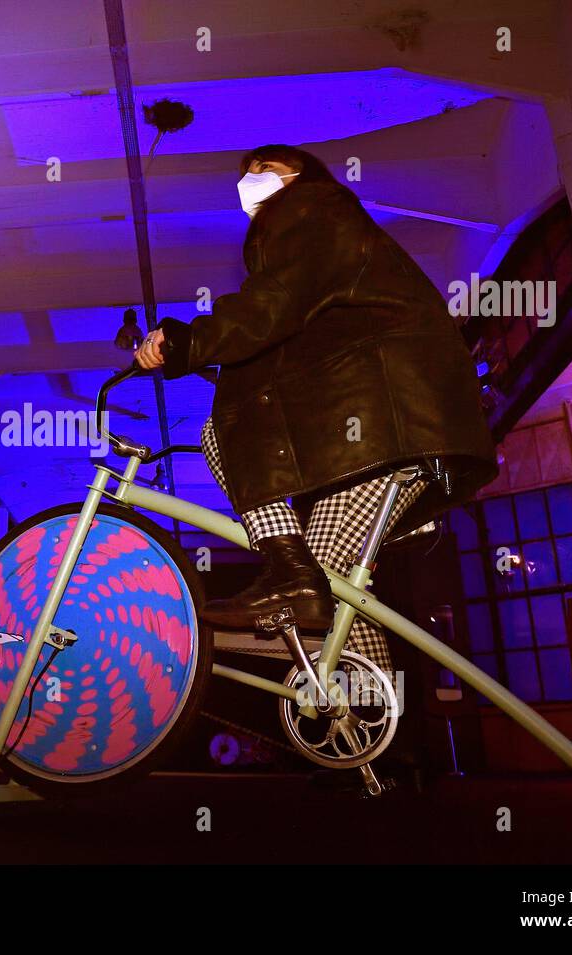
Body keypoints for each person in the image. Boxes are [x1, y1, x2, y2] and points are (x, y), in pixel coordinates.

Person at [134, 144, 497, 671]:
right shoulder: (321, 224)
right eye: (245, 174)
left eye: (263, 169)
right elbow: (293, 332)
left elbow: (273, 303)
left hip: (385, 428)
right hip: (391, 428)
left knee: (227, 430)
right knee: (337, 598)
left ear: (298, 172)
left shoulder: (310, 207)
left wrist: (189, 342)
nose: (250, 181)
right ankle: (367, 732)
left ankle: (285, 575)